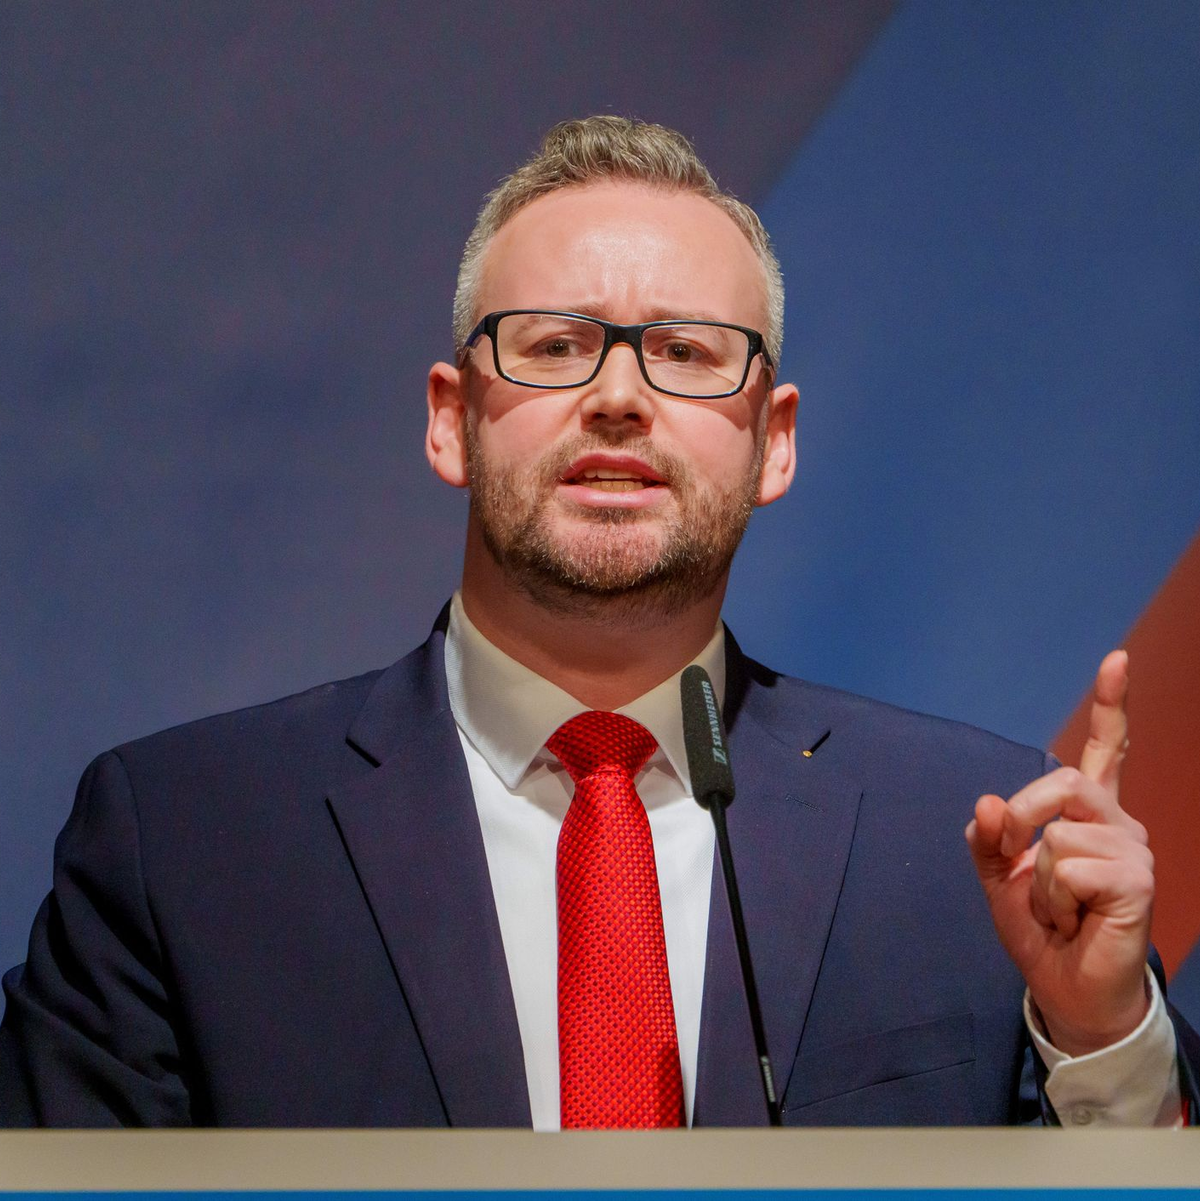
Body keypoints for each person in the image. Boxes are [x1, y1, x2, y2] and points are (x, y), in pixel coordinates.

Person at [1, 116, 1197, 1129]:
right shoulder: (184, 841)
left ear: (772, 441)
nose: (619, 396)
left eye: (685, 352)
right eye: (559, 346)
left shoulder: (973, 842)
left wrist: (1103, 1036)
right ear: (450, 418)